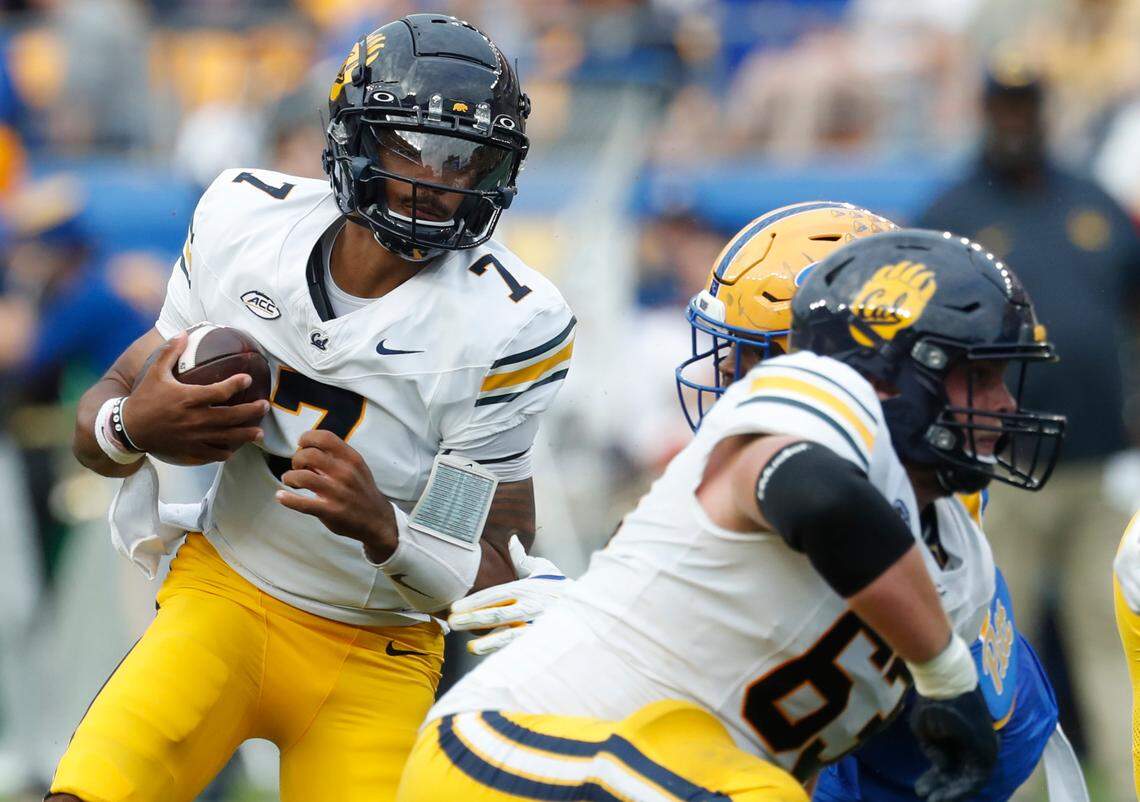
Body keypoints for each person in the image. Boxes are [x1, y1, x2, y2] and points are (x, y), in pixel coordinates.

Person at [47, 14, 574, 802]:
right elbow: (101, 416)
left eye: (466, 158)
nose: (436, 180)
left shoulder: (510, 324)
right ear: (354, 139)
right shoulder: (243, 223)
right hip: (223, 594)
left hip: (378, 650)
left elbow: (483, 574)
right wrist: (135, 428)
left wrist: (384, 528)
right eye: (410, 147)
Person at [401, 225, 1069, 802]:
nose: (1005, 406)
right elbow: (816, 494)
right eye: (979, 376)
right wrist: (945, 671)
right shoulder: (812, 393)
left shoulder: (962, 563)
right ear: (892, 372)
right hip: (520, 747)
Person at [916, 59, 1140, 796]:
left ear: (1044, 113)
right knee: (999, 637)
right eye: (1003, 108)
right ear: (985, 112)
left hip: (1102, 461)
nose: (1015, 122)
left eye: (1026, 108)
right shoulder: (951, 208)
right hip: (1000, 466)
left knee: (1108, 631)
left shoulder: (1093, 202)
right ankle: (1011, 786)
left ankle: (1126, 776)